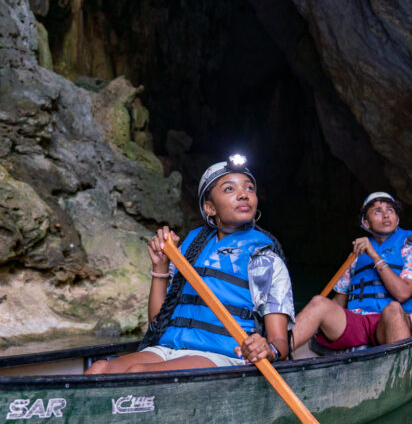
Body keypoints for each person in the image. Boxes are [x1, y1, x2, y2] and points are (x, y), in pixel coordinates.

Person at [86, 154, 295, 374]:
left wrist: (267, 349)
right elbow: (158, 321)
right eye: (229, 189)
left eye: (249, 188)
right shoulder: (192, 248)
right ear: (210, 208)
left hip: (221, 354)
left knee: (138, 372)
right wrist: (161, 267)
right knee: (99, 368)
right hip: (170, 348)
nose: (244, 195)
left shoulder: (264, 259)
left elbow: (280, 342)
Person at [292, 191, 412, 351]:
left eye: (390, 210)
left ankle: (398, 372)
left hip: (390, 323)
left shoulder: (411, 245)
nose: (386, 215)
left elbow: (403, 293)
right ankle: (275, 352)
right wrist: (312, 318)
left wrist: (375, 256)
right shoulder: (357, 254)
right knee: (319, 303)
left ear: (397, 219)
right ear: (366, 223)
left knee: (393, 309)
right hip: (358, 322)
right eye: (378, 211)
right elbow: (339, 301)